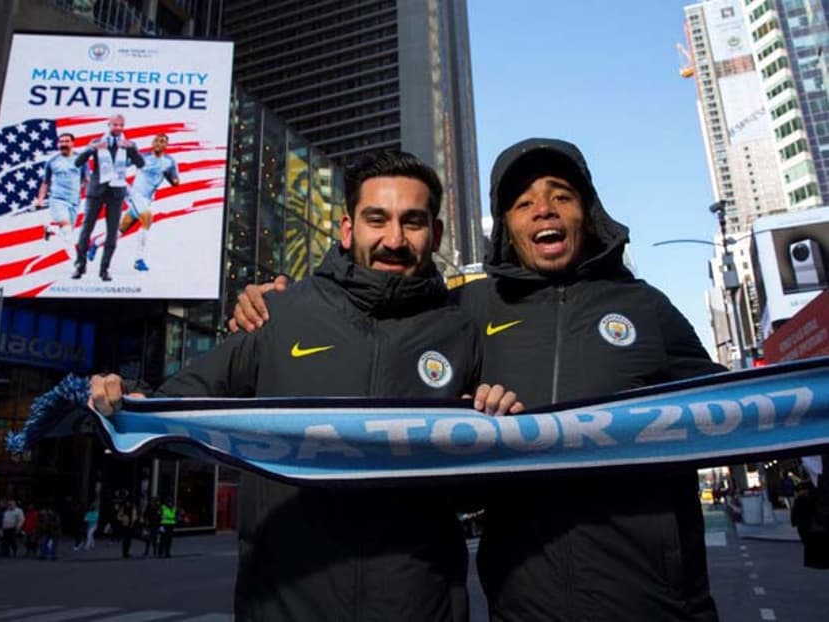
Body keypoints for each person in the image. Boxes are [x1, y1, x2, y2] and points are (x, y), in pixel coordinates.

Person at [230, 139, 726, 621]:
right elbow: (378, 323)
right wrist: (274, 304)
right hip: (523, 603)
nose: (544, 210)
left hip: (653, 600)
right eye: (523, 202)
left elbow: (736, 413)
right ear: (507, 225)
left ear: (586, 213)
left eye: (561, 196)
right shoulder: (465, 311)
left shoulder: (647, 307)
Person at [89, 150, 522, 621]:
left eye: (412, 222)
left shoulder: (460, 331)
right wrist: (122, 397)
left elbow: (476, 487)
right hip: (286, 605)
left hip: (420, 606)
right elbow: (178, 405)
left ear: (434, 233)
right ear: (347, 228)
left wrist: (495, 426)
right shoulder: (279, 314)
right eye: (376, 219)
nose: (394, 239)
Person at [85, 133, 179, 272]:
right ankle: (138, 260)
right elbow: (121, 164)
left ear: (166, 145)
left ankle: (95, 244)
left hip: (147, 199)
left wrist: (173, 179)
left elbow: (175, 180)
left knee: (122, 229)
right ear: (152, 143)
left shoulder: (169, 161)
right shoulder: (142, 157)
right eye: (157, 141)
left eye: (163, 141)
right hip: (133, 194)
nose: (160, 143)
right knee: (147, 218)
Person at [73, 114, 145, 281]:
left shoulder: (129, 144)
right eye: (115, 125)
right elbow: (77, 162)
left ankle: (104, 269)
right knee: (86, 229)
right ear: (108, 124)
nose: (118, 128)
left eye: (121, 125)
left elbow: (141, 164)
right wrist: (92, 148)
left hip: (116, 193)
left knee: (112, 232)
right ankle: (80, 265)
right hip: (96, 191)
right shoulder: (96, 141)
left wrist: (131, 148)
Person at [36, 132, 87, 261]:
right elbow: (45, 182)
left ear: (72, 143)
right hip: (57, 200)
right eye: (61, 141)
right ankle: (77, 262)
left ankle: (51, 228)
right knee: (67, 232)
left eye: (66, 141)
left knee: (68, 232)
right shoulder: (52, 161)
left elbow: (87, 180)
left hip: (74, 201)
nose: (63, 144)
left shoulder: (81, 159)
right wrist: (40, 199)